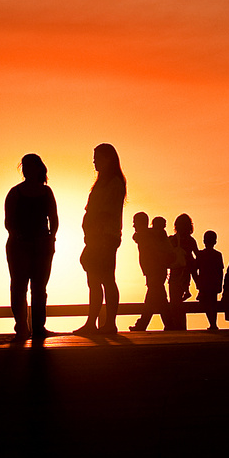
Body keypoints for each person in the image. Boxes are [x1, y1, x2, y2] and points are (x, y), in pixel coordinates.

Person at [74, 143, 127, 335]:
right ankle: (92, 323)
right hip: (95, 237)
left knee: (106, 279)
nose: (94, 161)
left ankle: (109, 323)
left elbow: (106, 212)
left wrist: (94, 226)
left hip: (105, 237)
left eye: (97, 157)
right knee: (94, 280)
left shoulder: (114, 183)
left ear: (108, 159)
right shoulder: (101, 183)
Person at [5, 153, 59, 340]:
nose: (27, 169)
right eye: (24, 166)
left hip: (42, 245)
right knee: (19, 287)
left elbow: (54, 219)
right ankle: (21, 327)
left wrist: (51, 238)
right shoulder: (15, 192)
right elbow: (8, 221)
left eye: (30, 165)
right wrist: (19, 237)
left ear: (39, 168)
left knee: (39, 288)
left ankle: (38, 328)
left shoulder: (47, 192)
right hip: (19, 246)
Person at [130, 214, 171, 331]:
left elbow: (136, 237)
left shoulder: (147, 235)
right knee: (159, 298)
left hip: (155, 271)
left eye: (135, 222)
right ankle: (169, 324)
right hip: (156, 271)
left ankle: (142, 324)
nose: (133, 225)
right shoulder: (152, 234)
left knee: (153, 298)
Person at [194, 229, 224, 331]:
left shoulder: (201, 254)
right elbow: (221, 271)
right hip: (214, 282)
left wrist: (198, 282)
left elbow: (195, 268)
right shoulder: (218, 255)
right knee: (213, 304)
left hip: (205, 283)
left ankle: (213, 324)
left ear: (204, 241)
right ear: (215, 241)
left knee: (207, 304)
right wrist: (220, 283)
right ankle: (213, 324)